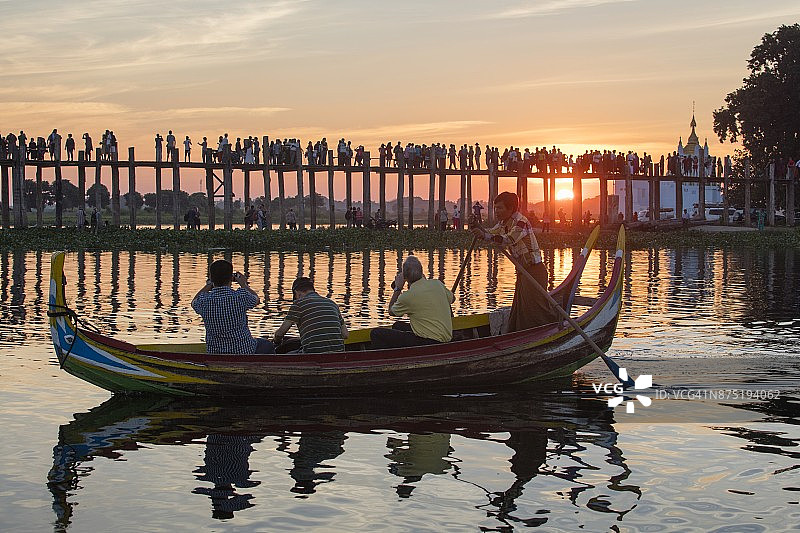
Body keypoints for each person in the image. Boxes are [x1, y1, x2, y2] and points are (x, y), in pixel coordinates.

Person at [471, 191, 558, 332]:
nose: (496, 211)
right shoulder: (503, 223)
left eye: (500, 208)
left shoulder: (521, 222)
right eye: (495, 208)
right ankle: (521, 334)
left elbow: (509, 239)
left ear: (510, 208)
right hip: (523, 271)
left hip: (534, 271)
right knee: (521, 308)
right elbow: (491, 233)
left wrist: (485, 236)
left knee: (535, 309)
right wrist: (477, 227)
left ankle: (548, 330)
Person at [369, 256, 454, 349]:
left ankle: (389, 356)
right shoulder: (437, 284)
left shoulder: (408, 296)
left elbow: (391, 311)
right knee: (397, 326)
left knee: (375, 333)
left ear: (405, 277)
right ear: (421, 272)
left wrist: (397, 289)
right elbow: (452, 299)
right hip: (445, 339)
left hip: (427, 343)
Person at [191, 260, 275, 355]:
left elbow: (193, 302)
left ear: (211, 277)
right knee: (268, 344)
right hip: (244, 351)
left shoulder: (203, 301)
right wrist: (243, 284)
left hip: (215, 353)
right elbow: (256, 299)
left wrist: (208, 285)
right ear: (231, 278)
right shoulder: (240, 296)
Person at [272, 277, 348, 353]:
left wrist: (276, 341)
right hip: (339, 353)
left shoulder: (298, 304)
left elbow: (280, 334)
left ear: (297, 293)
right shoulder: (332, 304)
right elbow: (345, 335)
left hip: (312, 354)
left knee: (285, 354)